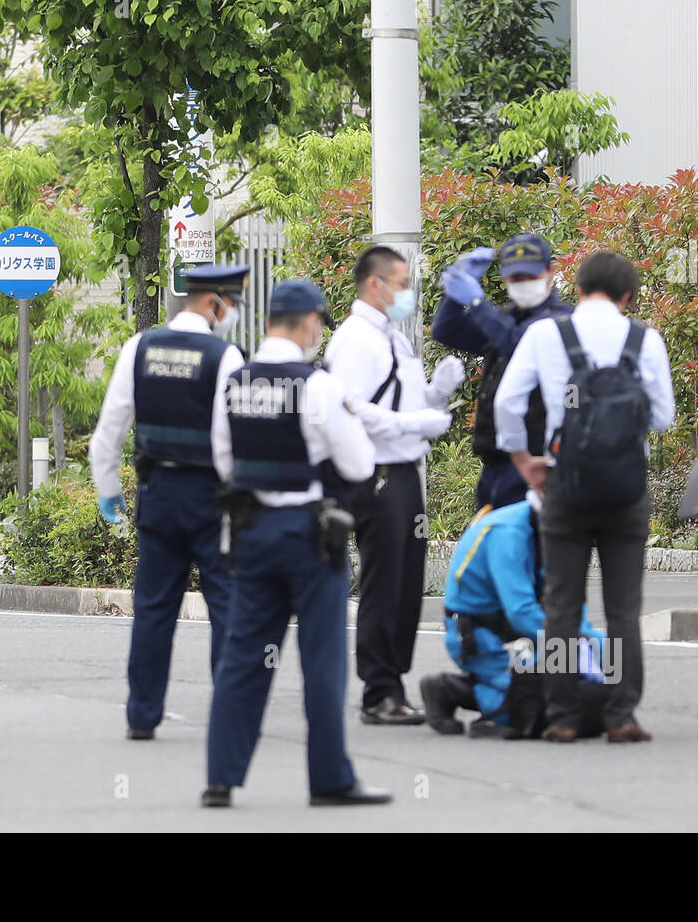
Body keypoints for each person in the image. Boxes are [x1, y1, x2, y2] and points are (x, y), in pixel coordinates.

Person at [204, 280, 390, 807]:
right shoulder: (318, 385)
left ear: (267, 323)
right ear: (311, 323)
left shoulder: (234, 382)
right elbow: (359, 465)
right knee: (322, 659)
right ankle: (330, 778)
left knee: (243, 655)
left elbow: (223, 460)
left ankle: (221, 777)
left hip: (253, 534)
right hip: (310, 537)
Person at [494, 251, 675, 743]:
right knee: (623, 609)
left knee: (561, 606)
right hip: (625, 490)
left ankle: (564, 716)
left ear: (576, 289)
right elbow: (662, 417)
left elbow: (506, 404)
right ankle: (621, 716)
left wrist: (524, 462)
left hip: (564, 487)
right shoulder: (645, 339)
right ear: (627, 297)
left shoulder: (547, 334)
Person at [88, 264, 247, 740]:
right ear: (215, 303)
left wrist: (111, 498)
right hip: (210, 501)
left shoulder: (141, 347)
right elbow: (227, 443)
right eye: (232, 305)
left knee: (154, 607)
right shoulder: (226, 358)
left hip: (156, 497)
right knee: (225, 605)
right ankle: (230, 711)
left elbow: (107, 434)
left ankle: (142, 715)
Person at [323, 245, 458, 725]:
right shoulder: (355, 340)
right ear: (375, 284)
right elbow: (352, 409)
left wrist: (437, 395)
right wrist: (415, 422)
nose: (408, 293)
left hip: (403, 471)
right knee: (384, 582)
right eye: (401, 284)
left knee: (406, 582)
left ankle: (392, 685)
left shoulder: (392, 337)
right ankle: (378, 690)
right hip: (376, 473)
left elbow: (405, 400)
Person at [420, 499, 608, 739]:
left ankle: (517, 691)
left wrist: (593, 646)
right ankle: (445, 689)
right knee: (520, 711)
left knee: (590, 657)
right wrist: (570, 641)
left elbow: (566, 602)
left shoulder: (553, 535)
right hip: (473, 630)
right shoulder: (508, 534)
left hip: (511, 621)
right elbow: (520, 612)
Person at [432, 235, 573, 510]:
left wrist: (476, 302)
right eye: (515, 278)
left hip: (535, 462)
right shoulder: (504, 318)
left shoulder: (561, 320)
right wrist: (454, 294)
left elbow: (518, 342)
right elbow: (446, 331)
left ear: (550, 272)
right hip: (495, 463)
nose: (522, 284)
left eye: (529, 276)